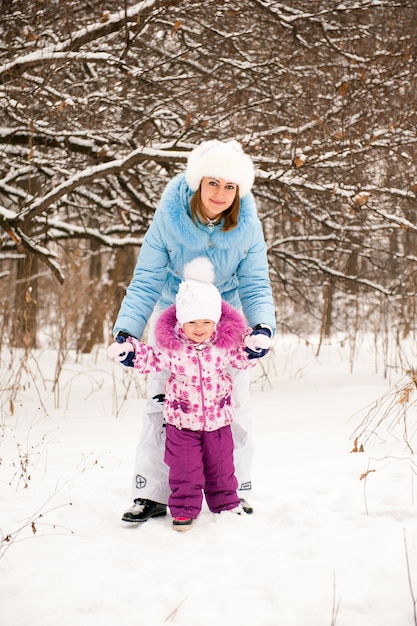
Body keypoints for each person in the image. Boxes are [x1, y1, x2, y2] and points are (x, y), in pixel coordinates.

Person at [112, 139, 276, 523]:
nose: (220, 193)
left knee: (235, 403)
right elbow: (147, 278)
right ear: (198, 181)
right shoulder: (169, 218)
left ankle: (238, 488)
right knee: (160, 405)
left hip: (226, 320)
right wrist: (128, 332)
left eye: (230, 186)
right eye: (213, 183)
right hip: (173, 317)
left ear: (239, 190)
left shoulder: (248, 226)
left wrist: (262, 326)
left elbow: (255, 282)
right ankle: (152, 492)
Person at [108, 258, 271, 531]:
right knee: (184, 469)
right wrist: (131, 352)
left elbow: (242, 356)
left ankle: (226, 505)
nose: (199, 328)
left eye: (206, 321)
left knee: (221, 468)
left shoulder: (223, 346)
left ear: (216, 320)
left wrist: (254, 347)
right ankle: (183, 508)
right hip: (182, 423)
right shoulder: (173, 348)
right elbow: (152, 358)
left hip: (219, 421)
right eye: (192, 321)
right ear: (181, 321)